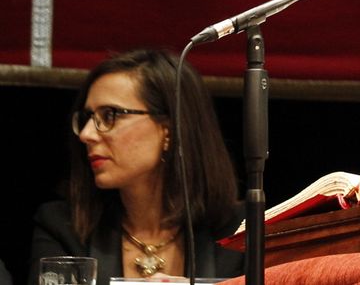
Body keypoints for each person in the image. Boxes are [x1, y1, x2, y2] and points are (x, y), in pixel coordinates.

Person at [30, 48, 243, 285]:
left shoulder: (244, 232)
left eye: (110, 115)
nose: (87, 134)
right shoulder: (61, 226)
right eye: (87, 118)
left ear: (169, 129)